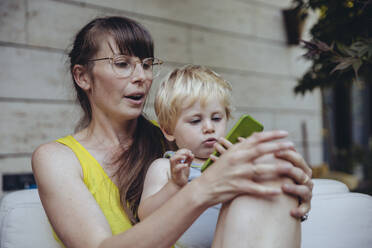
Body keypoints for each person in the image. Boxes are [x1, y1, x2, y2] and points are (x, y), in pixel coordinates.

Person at [31, 16, 313, 248]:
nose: (142, 76)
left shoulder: (183, 140)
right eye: (122, 64)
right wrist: (205, 188)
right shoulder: (56, 158)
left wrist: (292, 187)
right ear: (82, 77)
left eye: (146, 64)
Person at [139, 65, 306, 247]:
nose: (209, 127)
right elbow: (146, 216)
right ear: (168, 130)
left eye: (217, 118)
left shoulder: (235, 160)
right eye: (196, 120)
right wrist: (174, 186)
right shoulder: (166, 167)